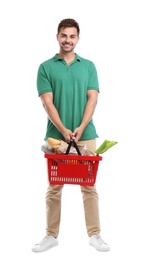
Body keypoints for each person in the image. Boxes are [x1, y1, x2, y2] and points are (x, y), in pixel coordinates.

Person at [32, 18, 110, 253]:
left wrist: (80, 127)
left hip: (85, 135)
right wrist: (64, 130)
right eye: (64, 36)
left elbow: (93, 98)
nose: (68, 40)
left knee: (89, 185)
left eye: (72, 36)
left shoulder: (88, 66)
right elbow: (47, 103)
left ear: (78, 38)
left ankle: (95, 234)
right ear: (57, 37)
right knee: (55, 186)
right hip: (57, 137)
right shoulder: (46, 67)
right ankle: (51, 235)